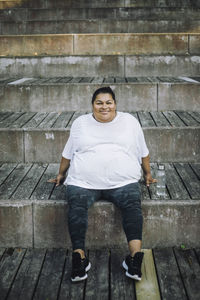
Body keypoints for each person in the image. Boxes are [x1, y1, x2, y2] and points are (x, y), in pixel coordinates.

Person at [48, 86, 156, 282]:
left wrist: (147, 174)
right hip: (83, 182)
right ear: (92, 105)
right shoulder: (80, 123)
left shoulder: (130, 122)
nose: (104, 106)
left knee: (133, 207)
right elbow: (68, 153)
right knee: (76, 207)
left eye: (108, 102)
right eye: (99, 103)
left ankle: (134, 258)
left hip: (123, 181)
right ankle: (79, 258)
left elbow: (143, 151)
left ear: (115, 104)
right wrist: (61, 174)